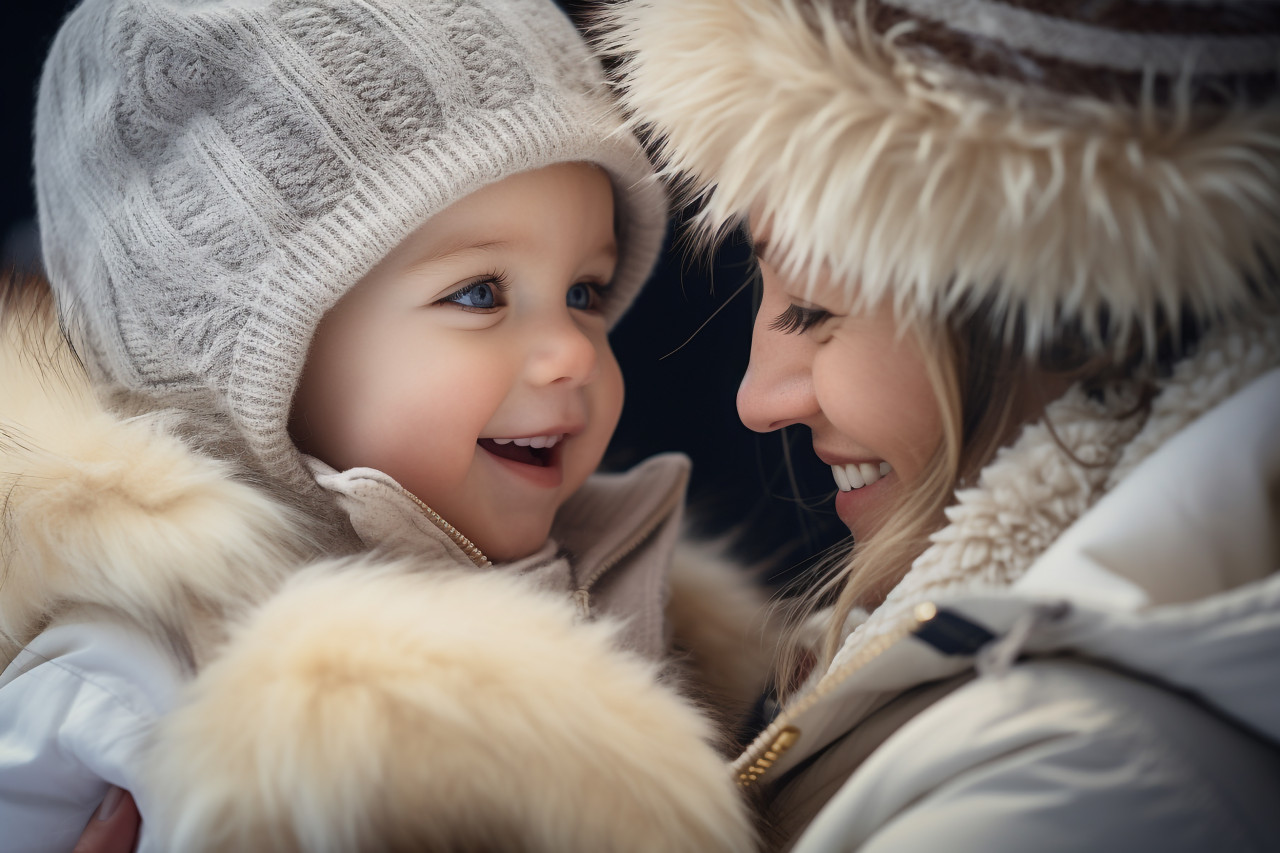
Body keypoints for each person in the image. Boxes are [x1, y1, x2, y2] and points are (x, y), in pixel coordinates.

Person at [0, 0, 768, 850]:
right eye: (480, 293)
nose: (573, 354)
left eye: (584, 293)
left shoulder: (650, 605)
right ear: (242, 364)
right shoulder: (140, 680)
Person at [608, 0, 1280, 850]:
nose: (758, 397)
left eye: (815, 309)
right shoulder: (907, 678)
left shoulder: (1074, 790)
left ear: (1070, 323)